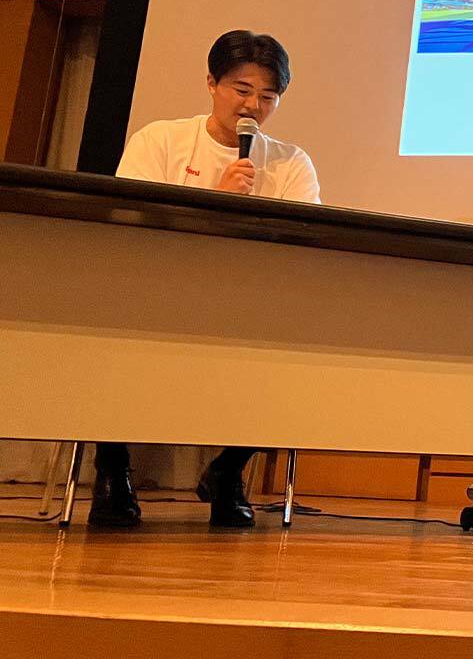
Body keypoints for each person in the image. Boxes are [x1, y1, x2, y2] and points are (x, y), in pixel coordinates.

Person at [92, 30, 321, 529]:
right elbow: (129, 223)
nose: (253, 106)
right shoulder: (160, 140)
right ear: (212, 83)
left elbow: (305, 242)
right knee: (108, 327)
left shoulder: (290, 162)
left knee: (301, 348)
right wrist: (214, 202)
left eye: (268, 96)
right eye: (242, 90)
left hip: (249, 300)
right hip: (157, 290)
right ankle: (111, 468)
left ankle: (228, 470)